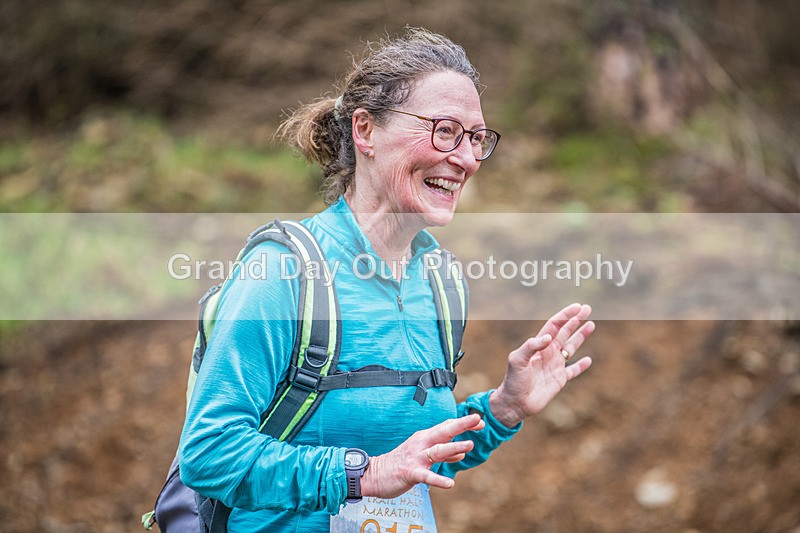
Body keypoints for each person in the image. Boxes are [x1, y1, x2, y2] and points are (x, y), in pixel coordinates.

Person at [178, 27, 594, 532]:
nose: (465, 159)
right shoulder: (283, 274)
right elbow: (208, 453)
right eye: (444, 130)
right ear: (366, 131)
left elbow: (416, 459)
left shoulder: (442, 282)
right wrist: (362, 475)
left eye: (477, 138)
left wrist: (504, 408)